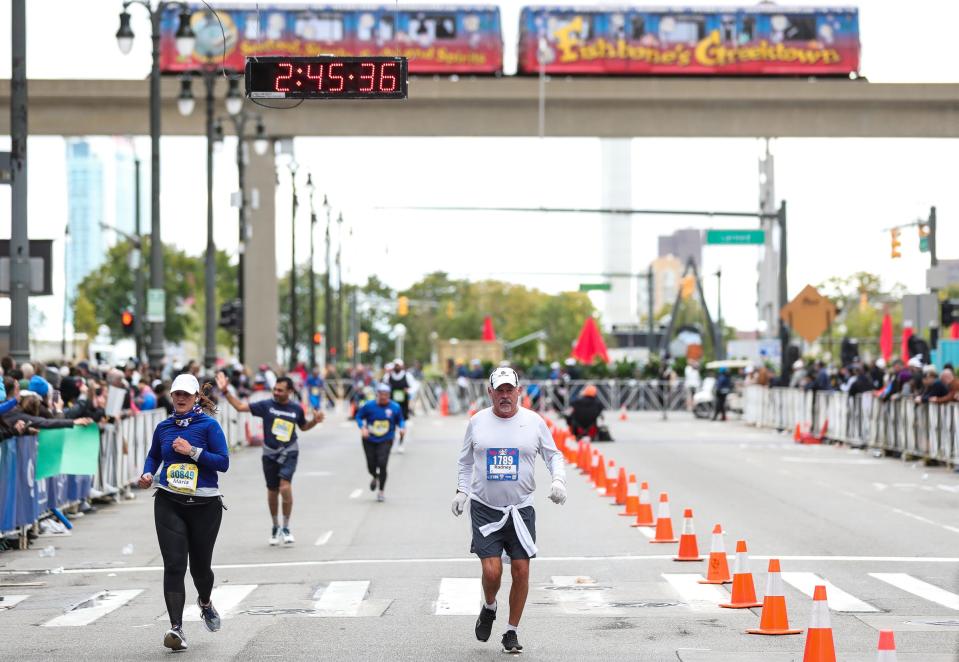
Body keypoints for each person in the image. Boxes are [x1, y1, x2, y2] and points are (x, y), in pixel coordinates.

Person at [452, 367, 566, 654]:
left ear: (518, 391)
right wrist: (462, 491)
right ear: (490, 392)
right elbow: (465, 461)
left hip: (520, 509)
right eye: (499, 390)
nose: (505, 396)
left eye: (509, 390)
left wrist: (558, 480)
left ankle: (511, 631)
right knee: (491, 573)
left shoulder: (534, 422)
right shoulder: (477, 422)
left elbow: (553, 455)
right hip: (485, 508)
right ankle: (489, 607)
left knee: (521, 570)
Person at [137, 374, 230, 652]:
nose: (179, 398)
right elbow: (155, 455)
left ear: (196, 398)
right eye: (176, 394)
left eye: (185, 395)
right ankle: (176, 628)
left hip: (205, 505)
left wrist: (193, 452)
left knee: (200, 569)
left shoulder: (209, 426)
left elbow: (223, 462)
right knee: (174, 565)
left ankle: (204, 602)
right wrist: (147, 472)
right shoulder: (164, 427)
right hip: (169, 501)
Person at [216, 372, 323, 545]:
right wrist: (226, 391)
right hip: (269, 453)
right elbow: (240, 407)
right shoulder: (266, 405)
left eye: (280, 390)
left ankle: (286, 526)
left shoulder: (296, 408)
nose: (276, 393)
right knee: (272, 490)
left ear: (289, 391)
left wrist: (315, 421)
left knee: (285, 486)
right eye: (275, 389)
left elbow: (303, 427)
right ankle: (275, 526)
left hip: (289, 451)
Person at [355, 383, 405, 502]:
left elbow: (400, 420)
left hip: (386, 439)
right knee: (371, 465)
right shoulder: (369, 406)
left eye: (386, 395)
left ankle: (381, 491)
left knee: (382, 464)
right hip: (369, 439)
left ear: (389, 395)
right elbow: (358, 416)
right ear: (377, 394)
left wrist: (402, 428)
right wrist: (363, 428)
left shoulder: (395, 407)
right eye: (381, 394)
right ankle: (374, 476)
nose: (383, 397)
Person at [383, 360, 411, 452]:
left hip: (403, 405)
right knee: (392, 424)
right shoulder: (388, 376)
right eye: (395, 365)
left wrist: (408, 391)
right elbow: (383, 387)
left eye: (398, 365)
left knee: (402, 425)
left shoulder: (407, 375)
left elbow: (414, 386)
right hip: (391, 404)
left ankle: (401, 443)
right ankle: (391, 443)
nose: (397, 367)